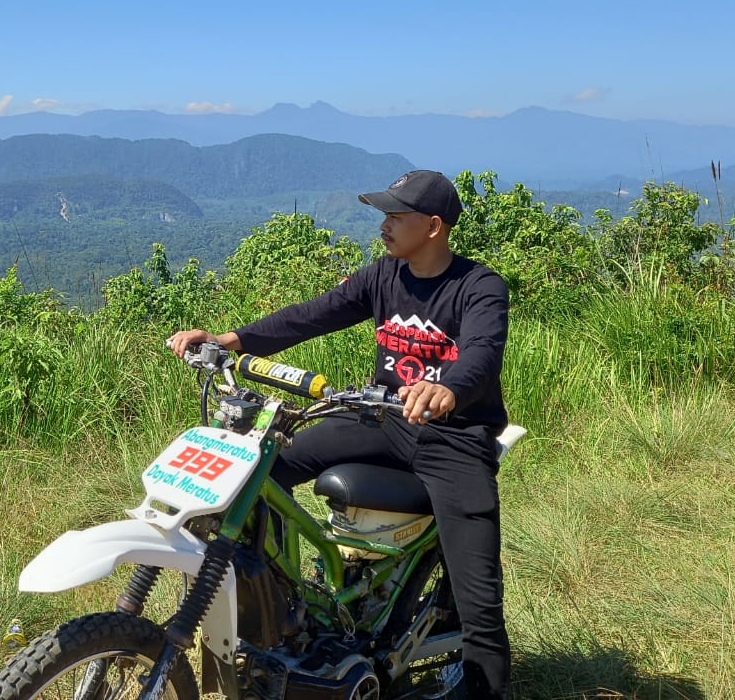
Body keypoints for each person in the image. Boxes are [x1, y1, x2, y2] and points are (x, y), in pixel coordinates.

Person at [169, 169, 511, 700]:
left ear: (435, 226)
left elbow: (483, 353)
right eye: (384, 215)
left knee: (479, 595)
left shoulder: (478, 285)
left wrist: (448, 390)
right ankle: (284, 615)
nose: (385, 225)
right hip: (382, 420)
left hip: (455, 437)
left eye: (397, 216)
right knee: (257, 474)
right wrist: (230, 338)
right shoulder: (383, 275)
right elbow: (313, 315)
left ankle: (485, 687)